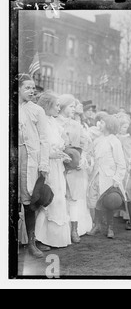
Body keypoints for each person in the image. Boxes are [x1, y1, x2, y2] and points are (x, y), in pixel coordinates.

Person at [18, 74, 50, 257]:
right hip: (15, 158)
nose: (31, 91)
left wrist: (43, 163)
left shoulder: (37, 110)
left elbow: (44, 139)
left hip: (31, 159)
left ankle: (31, 242)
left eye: (33, 88)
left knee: (30, 201)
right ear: (18, 89)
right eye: (27, 87)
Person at [35, 92, 72, 248]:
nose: (59, 108)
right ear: (47, 106)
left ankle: (56, 238)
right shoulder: (40, 122)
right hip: (47, 166)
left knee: (58, 198)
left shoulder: (54, 123)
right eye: (56, 105)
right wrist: (52, 154)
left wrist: (62, 155)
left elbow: (58, 144)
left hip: (57, 166)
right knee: (48, 199)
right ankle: (40, 238)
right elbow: (39, 147)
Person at [56, 94, 93, 242]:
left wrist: (83, 158)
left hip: (75, 166)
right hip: (59, 164)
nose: (74, 109)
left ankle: (74, 230)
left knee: (74, 198)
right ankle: (59, 232)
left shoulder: (77, 124)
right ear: (63, 106)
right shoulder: (54, 122)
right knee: (58, 197)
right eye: (71, 106)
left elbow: (86, 143)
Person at [87, 114, 127, 238]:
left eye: (103, 123)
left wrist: (117, 178)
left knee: (108, 201)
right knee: (94, 200)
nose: (100, 124)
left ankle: (110, 227)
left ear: (109, 125)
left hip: (109, 177)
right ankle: (97, 225)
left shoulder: (114, 141)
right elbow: (92, 155)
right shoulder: (97, 140)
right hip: (96, 175)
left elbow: (121, 163)